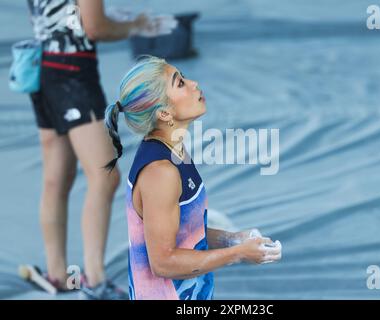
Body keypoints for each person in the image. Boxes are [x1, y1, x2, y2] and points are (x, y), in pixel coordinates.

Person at [26, 0, 174, 299]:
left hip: (42, 69)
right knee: (105, 176)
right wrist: (137, 24)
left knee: (57, 179)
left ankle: (57, 274)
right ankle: (94, 279)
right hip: (72, 76)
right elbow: (95, 27)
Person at [104, 56, 283, 300]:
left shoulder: (174, 151)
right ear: (165, 113)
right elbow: (164, 263)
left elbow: (184, 231)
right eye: (180, 84)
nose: (194, 84)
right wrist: (238, 254)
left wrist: (233, 239)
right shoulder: (160, 172)